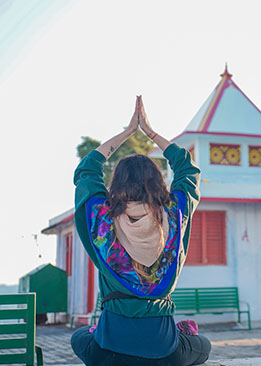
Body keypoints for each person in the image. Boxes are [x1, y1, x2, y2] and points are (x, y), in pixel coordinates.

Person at [70, 96, 211, 366]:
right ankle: (184, 332)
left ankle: (96, 332)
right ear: (157, 183)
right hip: (165, 352)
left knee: (79, 338)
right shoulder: (174, 216)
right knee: (202, 346)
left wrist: (126, 133)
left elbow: (87, 170)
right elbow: (187, 169)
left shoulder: (102, 222)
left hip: (108, 352)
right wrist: (150, 132)